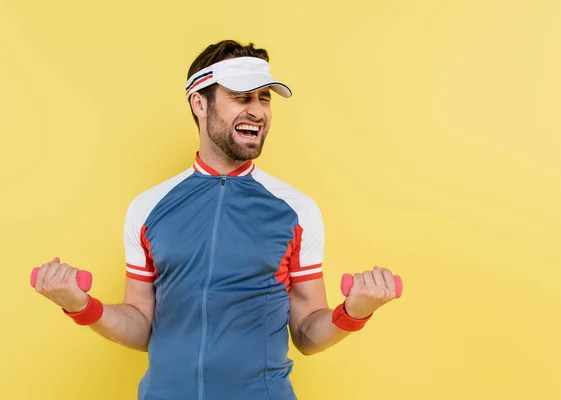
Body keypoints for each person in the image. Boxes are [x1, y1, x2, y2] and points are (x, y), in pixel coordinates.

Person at [32, 39, 400, 400]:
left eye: (264, 98)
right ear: (199, 103)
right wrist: (80, 305)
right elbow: (142, 325)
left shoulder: (296, 209)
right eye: (241, 97)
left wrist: (354, 312)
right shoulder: (148, 207)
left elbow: (306, 333)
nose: (257, 111)